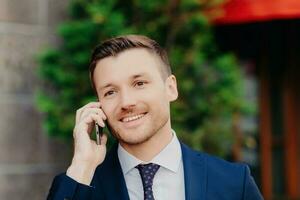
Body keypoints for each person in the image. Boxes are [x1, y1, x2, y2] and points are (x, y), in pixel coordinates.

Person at [47, 35, 263, 200]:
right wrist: (81, 167)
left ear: (171, 88)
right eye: (110, 92)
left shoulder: (234, 182)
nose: (126, 102)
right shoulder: (78, 185)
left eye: (139, 83)